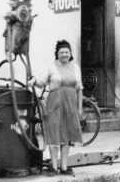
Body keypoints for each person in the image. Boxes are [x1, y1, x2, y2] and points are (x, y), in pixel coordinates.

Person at [28, 40, 83, 175]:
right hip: (54, 105)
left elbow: (79, 89)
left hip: (70, 105)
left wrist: (80, 108)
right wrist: (34, 81)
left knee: (67, 136)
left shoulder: (76, 68)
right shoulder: (51, 67)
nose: (64, 54)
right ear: (57, 54)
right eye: (61, 52)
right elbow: (41, 83)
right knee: (54, 135)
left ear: (70, 54)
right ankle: (53, 166)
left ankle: (64, 167)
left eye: (67, 52)